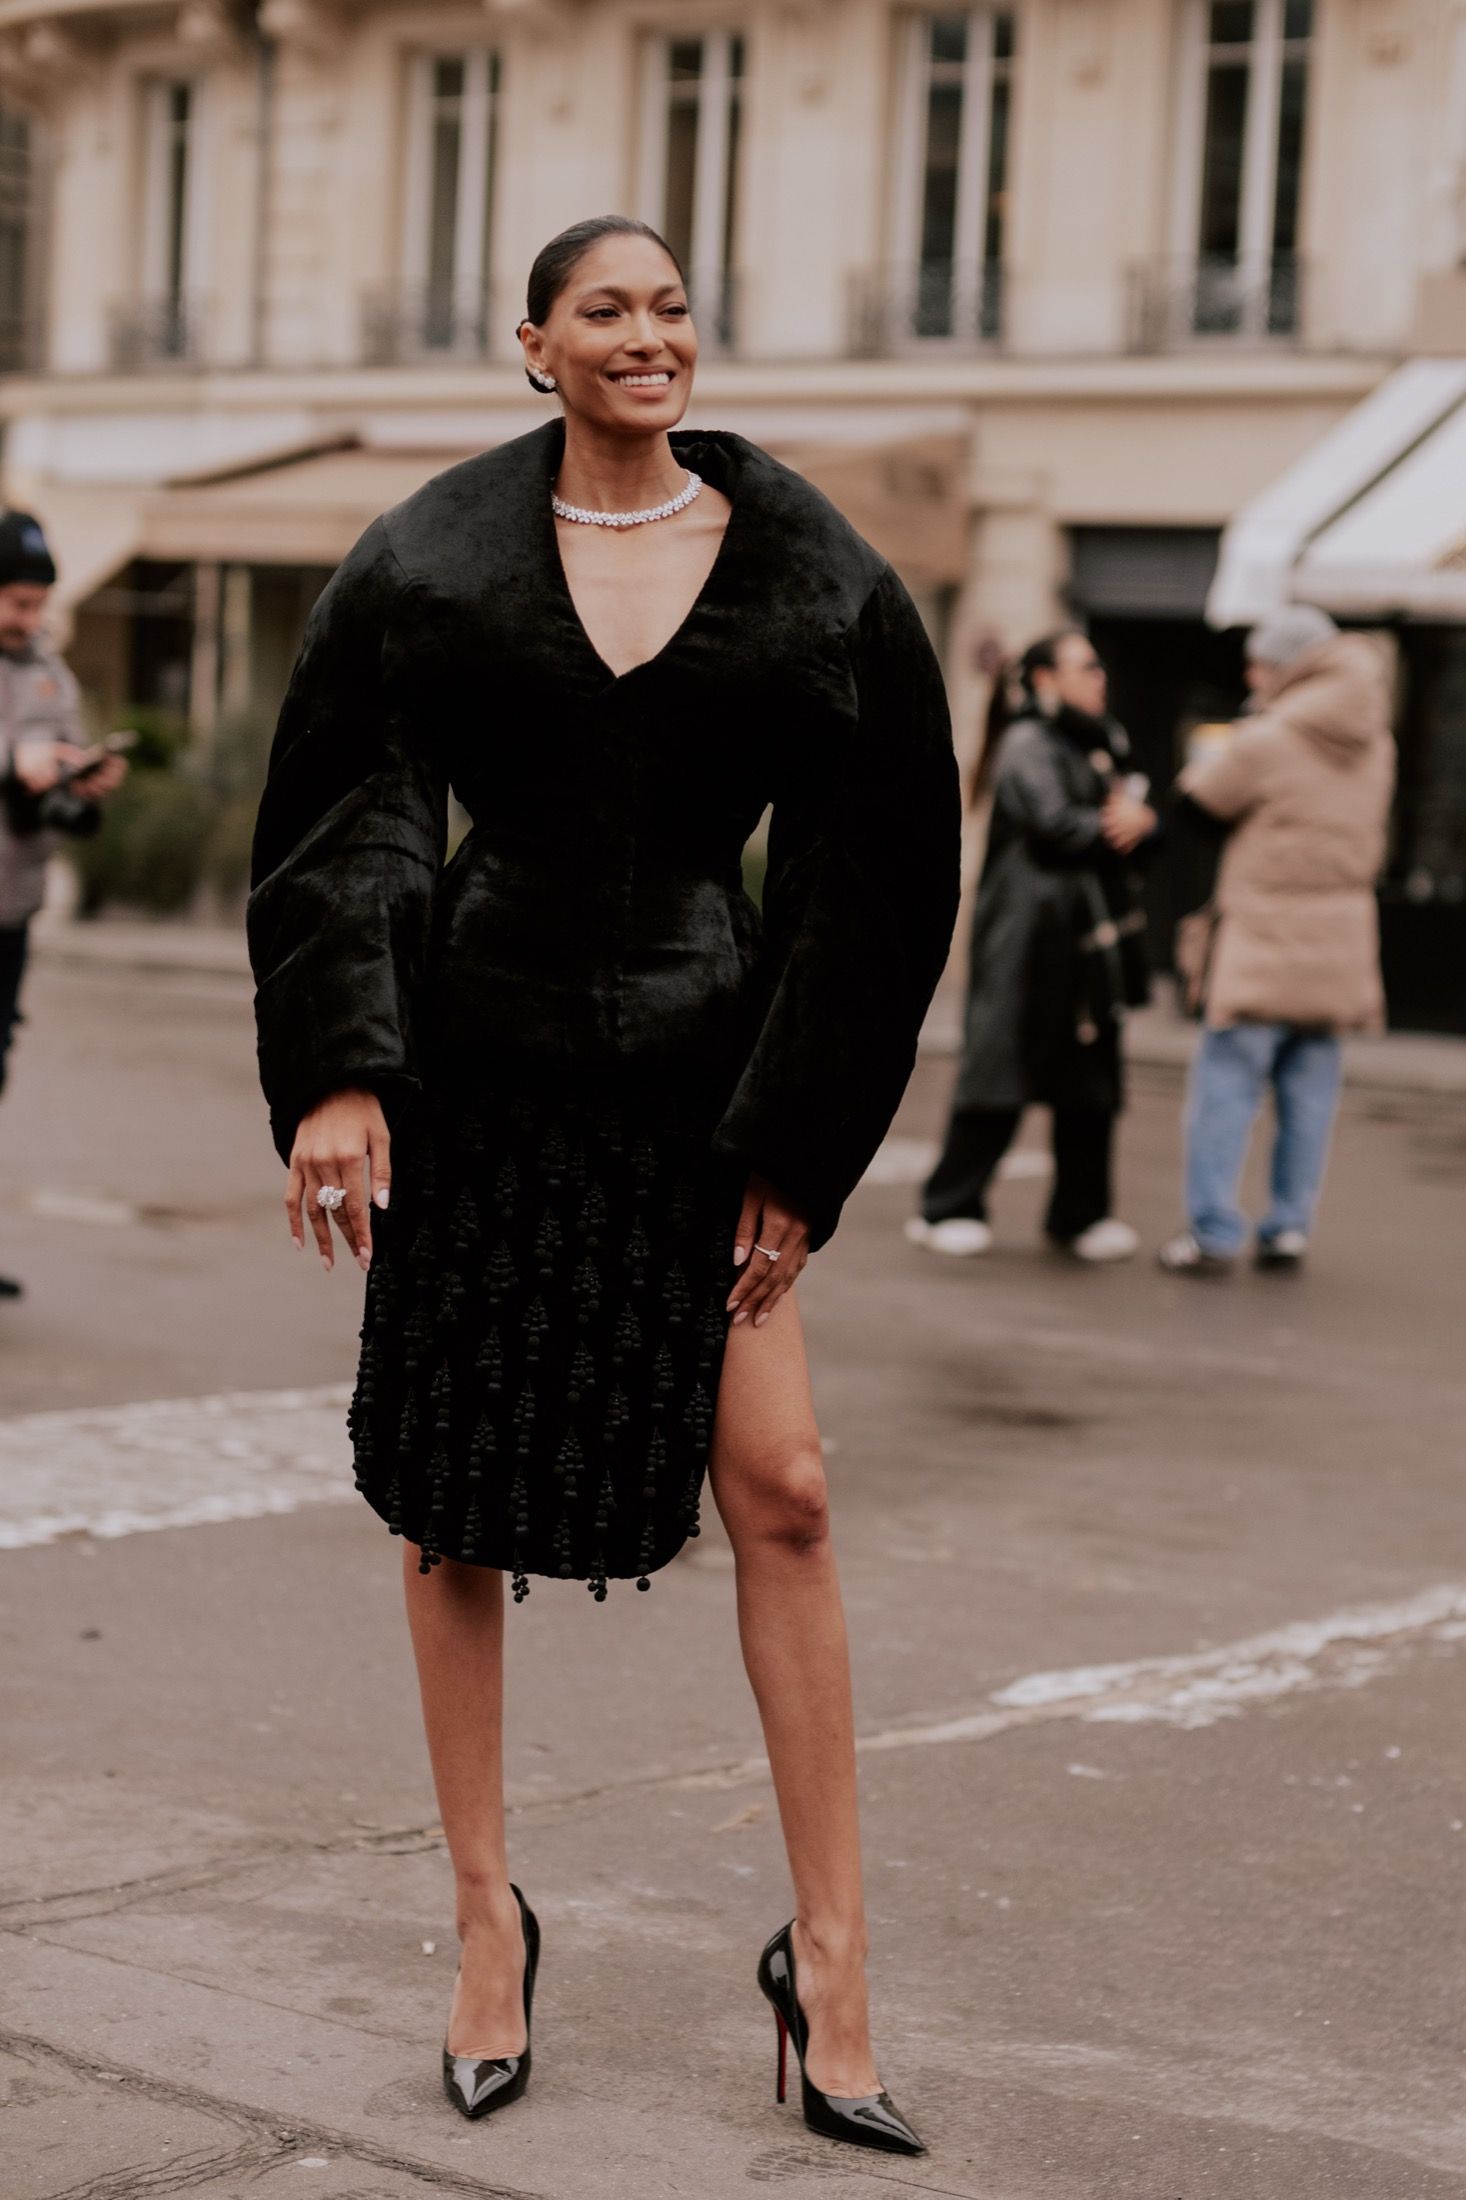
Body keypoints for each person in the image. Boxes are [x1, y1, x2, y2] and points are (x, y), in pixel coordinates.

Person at [248, 217, 959, 2154]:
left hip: (698, 1090)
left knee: (785, 1491)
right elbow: (345, 815)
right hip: (476, 1078)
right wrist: (339, 1068)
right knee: (448, 1507)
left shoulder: (815, 569)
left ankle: (830, 1962)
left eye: (669, 308)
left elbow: (879, 872)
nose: (648, 336)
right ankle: (487, 1918)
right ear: (534, 347)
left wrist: (799, 1137)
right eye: (605, 311)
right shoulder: (429, 558)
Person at [1159, 606, 1394, 1275]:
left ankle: (1212, 1233)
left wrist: (1230, 740)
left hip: (1263, 944)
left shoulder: (1270, 736)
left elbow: (1195, 806)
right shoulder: (1377, 740)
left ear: (1291, 668)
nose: (1251, 676)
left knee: (1226, 1093)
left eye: (1260, 664)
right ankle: (1288, 1227)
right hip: (1340, 948)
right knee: (1310, 1102)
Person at [907, 630, 1155, 1264]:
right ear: (1045, 679)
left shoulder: (1102, 741)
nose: (1100, 676)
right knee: (999, 1070)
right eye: (1085, 666)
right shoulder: (1028, 743)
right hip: (1026, 940)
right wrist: (1127, 822)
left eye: (1099, 665)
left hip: (1086, 940)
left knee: (1090, 1080)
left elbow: (1122, 824)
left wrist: (1141, 822)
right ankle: (948, 1207)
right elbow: (1057, 826)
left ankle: (1081, 1215)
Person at [0, 508, 127, 1299]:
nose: (30, 618)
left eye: (38, 603)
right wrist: (14, 762)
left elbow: (56, 785)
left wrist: (82, 779)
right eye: (17, 601)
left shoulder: (50, 673)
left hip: (12, 909)